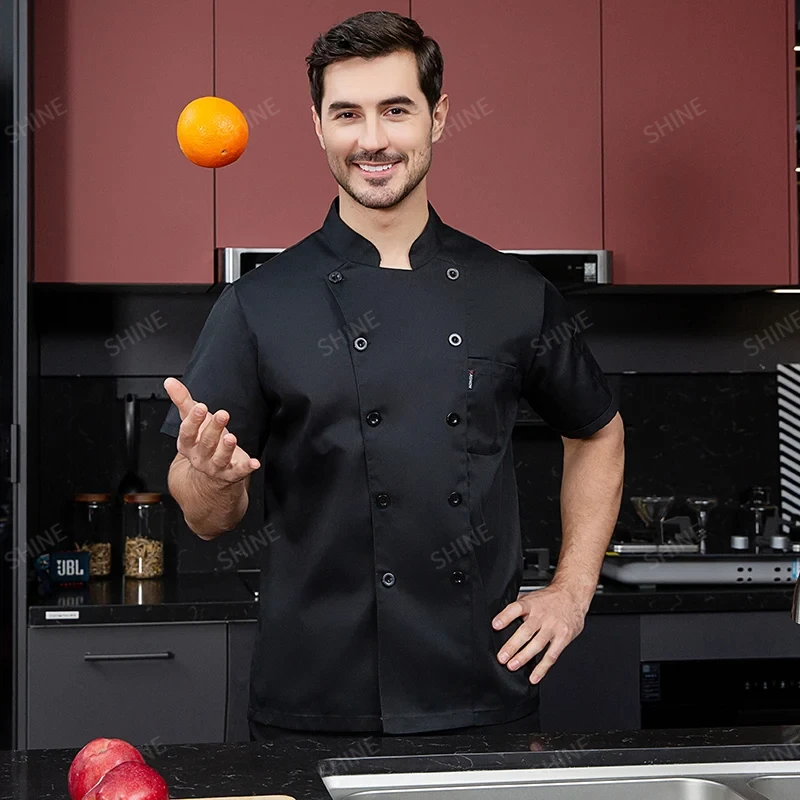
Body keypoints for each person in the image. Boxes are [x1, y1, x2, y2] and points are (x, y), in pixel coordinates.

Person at [160, 9, 625, 742]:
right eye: (347, 113)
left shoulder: (512, 292)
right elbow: (205, 515)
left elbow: (598, 429)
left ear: (437, 118)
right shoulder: (258, 303)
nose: (372, 139)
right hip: (312, 698)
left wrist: (572, 590)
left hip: (481, 689)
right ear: (317, 126)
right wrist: (209, 477)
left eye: (396, 110)